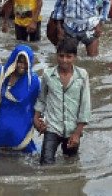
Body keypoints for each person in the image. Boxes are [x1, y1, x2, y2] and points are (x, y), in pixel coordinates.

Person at [34, 37, 91, 165]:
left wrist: (77, 133)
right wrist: (36, 118)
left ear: (74, 57)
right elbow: (42, 99)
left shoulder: (82, 76)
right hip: (52, 127)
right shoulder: (48, 75)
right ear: (56, 56)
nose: (64, 60)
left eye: (69, 57)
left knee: (71, 163)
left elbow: (85, 106)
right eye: (61, 56)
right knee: (45, 163)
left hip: (72, 129)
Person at [0, 45, 40, 152]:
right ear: (13, 60)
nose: (22, 66)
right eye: (20, 61)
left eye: (26, 63)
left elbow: (37, 104)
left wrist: (39, 121)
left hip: (20, 132)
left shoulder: (33, 82)